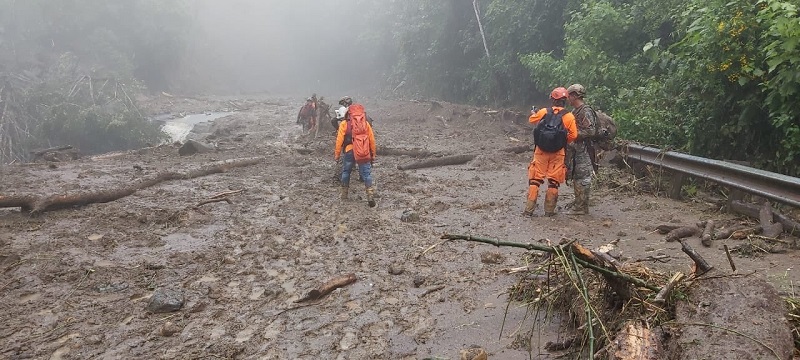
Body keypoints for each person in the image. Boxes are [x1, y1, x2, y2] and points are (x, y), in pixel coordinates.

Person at [524, 87, 578, 217]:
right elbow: (574, 135)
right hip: (558, 153)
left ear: (553, 99)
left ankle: (528, 210)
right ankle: (549, 211)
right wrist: (563, 142)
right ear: (565, 100)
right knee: (554, 182)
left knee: (535, 180)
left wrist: (533, 113)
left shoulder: (544, 111)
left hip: (541, 151)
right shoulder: (569, 116)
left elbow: (532, 120)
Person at [334, 100, 378, 207]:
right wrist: (373, 155)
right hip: (363, 150)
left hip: (349, 150)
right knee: (366, 174)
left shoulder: (344, 124)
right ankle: (370, 196)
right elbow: (372, 140)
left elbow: (339, 141)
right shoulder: (365, 124)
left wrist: (337, 155)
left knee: (346, 172)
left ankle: (344, 194)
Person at [565, 84, 598, 215]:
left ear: (574, 96)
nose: (568, 99)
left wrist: (574, 134)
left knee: (583, 177)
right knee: (576, 176)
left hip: (584, 149)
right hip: (575, 150)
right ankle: (579, 203)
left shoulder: (585, 111)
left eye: (569, 96)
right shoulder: (575, 112)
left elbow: (591, 130)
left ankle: (582, 207)